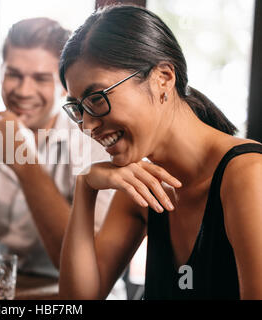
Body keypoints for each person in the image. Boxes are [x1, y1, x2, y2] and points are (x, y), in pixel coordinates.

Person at [59, 5, 262, 300]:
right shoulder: (141, 187)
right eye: (78, 108)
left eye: (96, 98)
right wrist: (85, 186)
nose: (87, 125)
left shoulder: (248, 177)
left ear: (163, 78)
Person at [0, 17, 121, 292]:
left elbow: (87, 266)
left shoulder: (94, 141)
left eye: (40, 78)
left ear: (64, 85)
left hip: (73, 292)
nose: (23, 91)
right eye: (14, 74)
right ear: (1, 72)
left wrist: (26, 164)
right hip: (3, 286)